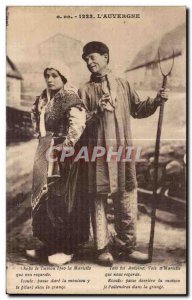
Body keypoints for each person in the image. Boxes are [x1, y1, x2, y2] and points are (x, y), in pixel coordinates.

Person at [78, 41, 169, 266]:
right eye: (86, 59)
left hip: (121, 152)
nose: (90, 63)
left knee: (127, 195)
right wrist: (97, 109)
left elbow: (138, 109)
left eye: (93, 57)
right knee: (98, 199)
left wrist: (157, 101)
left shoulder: (123, 85)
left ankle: (126, 246)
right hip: (97, 153)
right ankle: (102, 249)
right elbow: (77, 124)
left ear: (106, 57)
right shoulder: (84, 90)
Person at [28, 61, 89, 265]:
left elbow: (78, 124)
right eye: (47, 75)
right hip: (45, 151)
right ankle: (49, 245)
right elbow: (36, 119)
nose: (50, 79)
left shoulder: (70, 98)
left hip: (64, 155)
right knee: (44, 197)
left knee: (62, 199)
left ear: (64, 78)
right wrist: (41, 137)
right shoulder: (43, 99)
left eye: (54, 75)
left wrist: (66, 145)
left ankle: (67, 248)